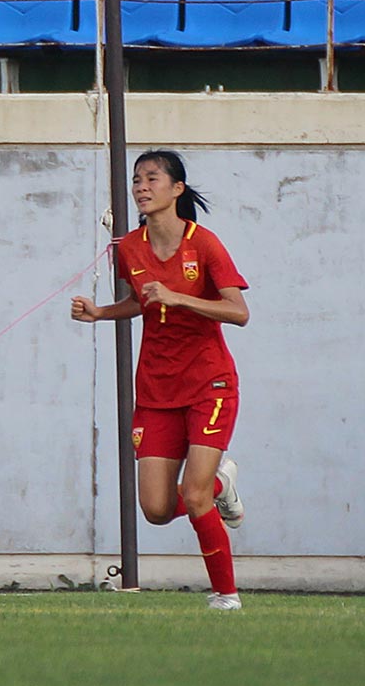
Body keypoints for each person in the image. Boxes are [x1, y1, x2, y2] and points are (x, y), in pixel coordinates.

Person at [71, 150, 249, 611]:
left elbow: (238, 312)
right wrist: (100, 313)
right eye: (137, 180)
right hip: (155, 389)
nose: (141, 188)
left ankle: (226, 597)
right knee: (155, 509)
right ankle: (220, 486)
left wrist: (180, 298)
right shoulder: (129, 247)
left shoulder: (204, 244)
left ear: (177, 189)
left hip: (209, 383)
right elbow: (142, 301)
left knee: (193, 495)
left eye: (152, 179)